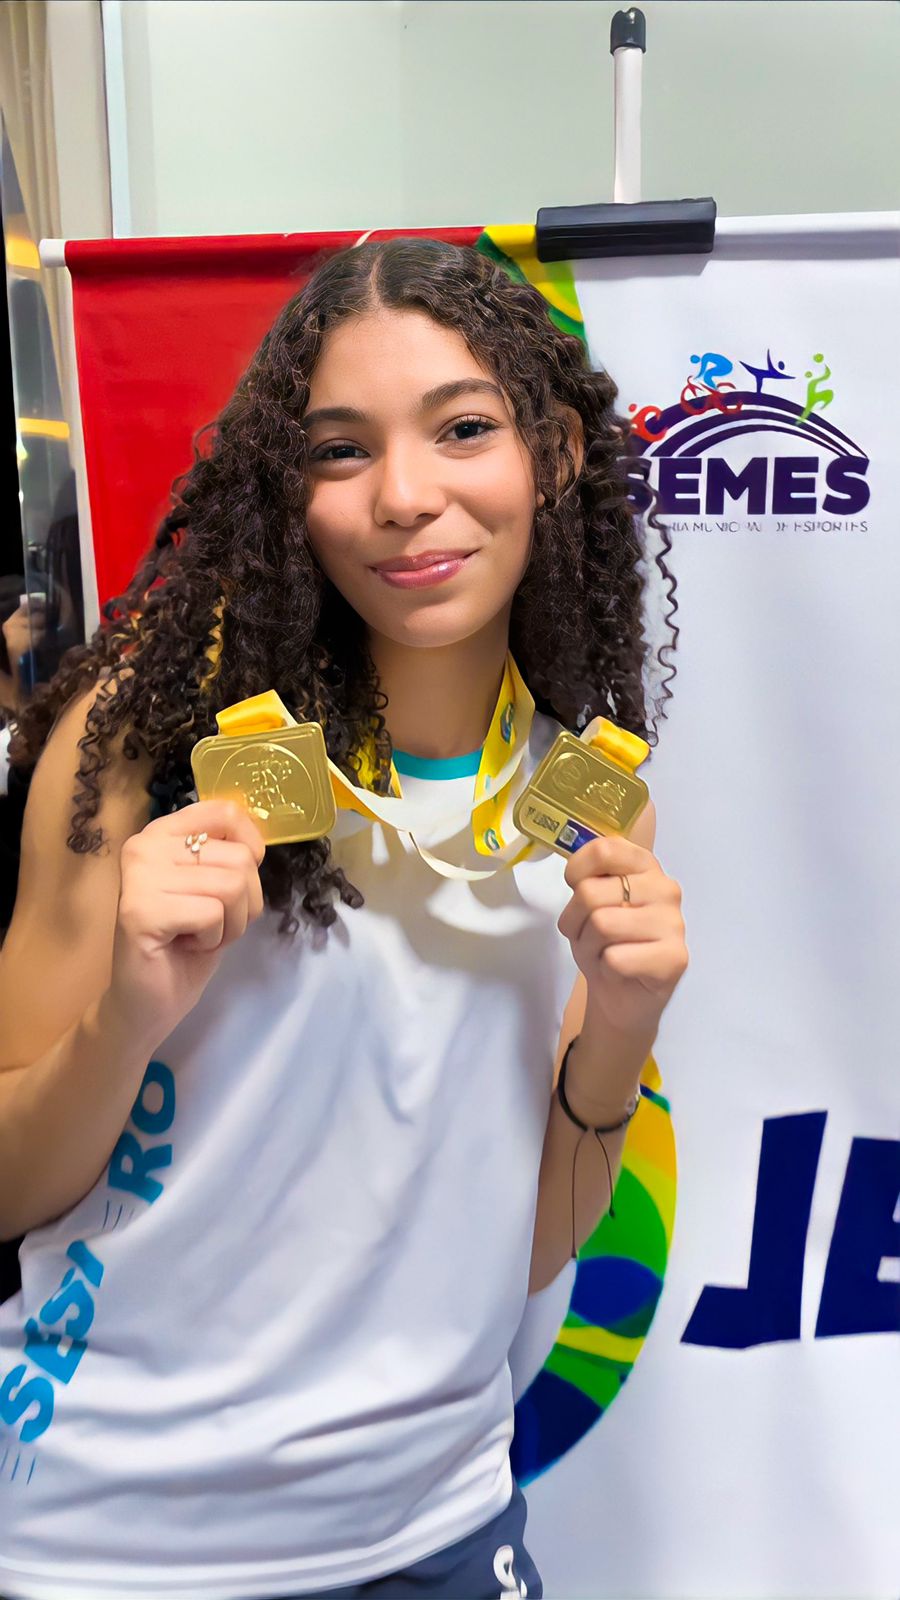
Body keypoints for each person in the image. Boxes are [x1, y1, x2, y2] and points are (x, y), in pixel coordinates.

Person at [0, 237, 687, 1600]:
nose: (407, 497)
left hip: (437, 1528)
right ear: (284, 487)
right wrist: (130, 1009)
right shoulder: (144, 744)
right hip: (115, 1539)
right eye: (339, 450)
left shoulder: (582, 794)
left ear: (551, 456)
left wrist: (619, 1029)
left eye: (465, 430)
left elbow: (531, 1245)